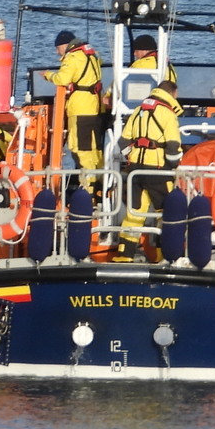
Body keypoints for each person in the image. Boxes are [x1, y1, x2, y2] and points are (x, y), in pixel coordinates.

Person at [117, 77, 183, 259]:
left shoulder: (139, 110)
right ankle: (166, 256)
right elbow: (173, 145)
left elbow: (122, 141)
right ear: (173, 94)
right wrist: (172, 166)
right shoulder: (167, 113)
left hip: (136, 170)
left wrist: (132, 155)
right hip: (157, 169)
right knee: (167, 212)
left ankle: (125, 254)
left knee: (135, 212)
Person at [47, 30, 104, 185]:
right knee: (94, 148)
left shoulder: (72, 58)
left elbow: (62, 79)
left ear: (65, 46)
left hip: (80, 108)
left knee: (80, 148)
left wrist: (47, 75)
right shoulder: (92, 55)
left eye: (57, 48)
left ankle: (88, 188)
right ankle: (100, 182)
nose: (57, 52)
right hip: (95, 107)